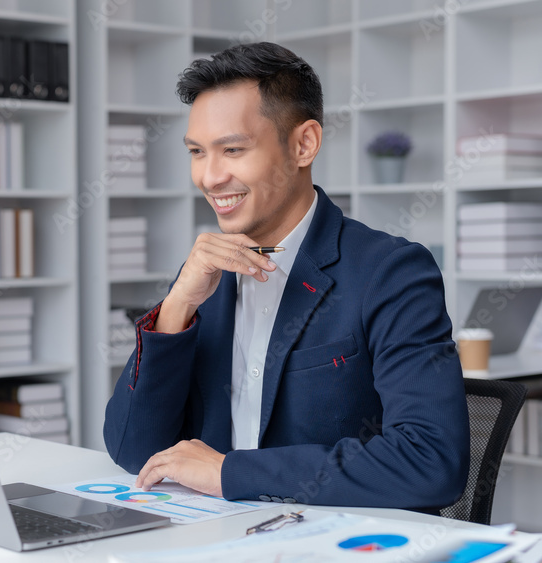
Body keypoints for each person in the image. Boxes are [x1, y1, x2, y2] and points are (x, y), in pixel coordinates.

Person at [103, 42, 469, 510]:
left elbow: (431, 461)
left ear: (304, 144)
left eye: (232, 149)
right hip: (221, 536)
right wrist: (176, 307)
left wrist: (229, 473)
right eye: (197, 152)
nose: (210, 177)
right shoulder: (205, 276)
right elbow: (132, 449)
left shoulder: (390, 272)